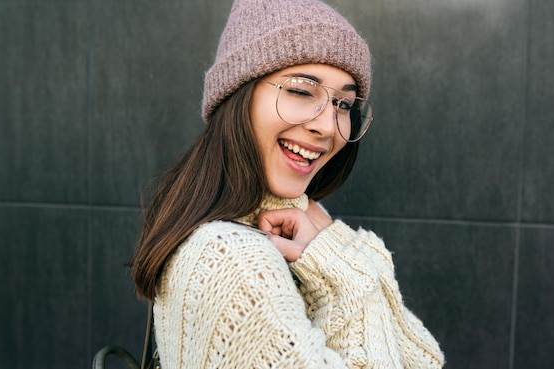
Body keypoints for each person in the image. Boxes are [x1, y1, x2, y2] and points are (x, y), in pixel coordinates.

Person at [130, 0, 445, 367]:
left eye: (343, 105)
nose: (328, 126)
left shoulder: (301, 222)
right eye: (300, 90)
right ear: (237, 97)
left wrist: (330, 246)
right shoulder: (234, 262)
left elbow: (424, 359)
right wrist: (342, 274)